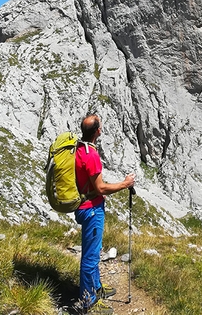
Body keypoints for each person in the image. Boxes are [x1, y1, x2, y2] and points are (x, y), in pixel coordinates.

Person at [74, 114, 135, 314]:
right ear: (97, 131)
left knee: (94, 250)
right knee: (90, 257)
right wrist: (125, 184)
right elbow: (100, 188)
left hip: (87, 206)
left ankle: (97, 288)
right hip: (91, 210)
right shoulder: (91, 155)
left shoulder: (80, 148)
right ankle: (88, 302)